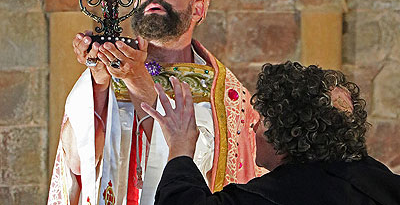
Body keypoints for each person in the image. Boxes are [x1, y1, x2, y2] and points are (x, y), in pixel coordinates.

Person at [47, 0, 263, 204]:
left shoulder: (225, 96)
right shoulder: (108, 72)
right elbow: (78, 163)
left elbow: (196, 164)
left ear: (198, 8)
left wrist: (136, 79)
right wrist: (98, 82)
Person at [144, 61, 400, 205]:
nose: (252, 126)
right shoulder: (379, 181)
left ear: (288, 134)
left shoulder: (278, 196)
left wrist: (179, 147)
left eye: (263, 119)